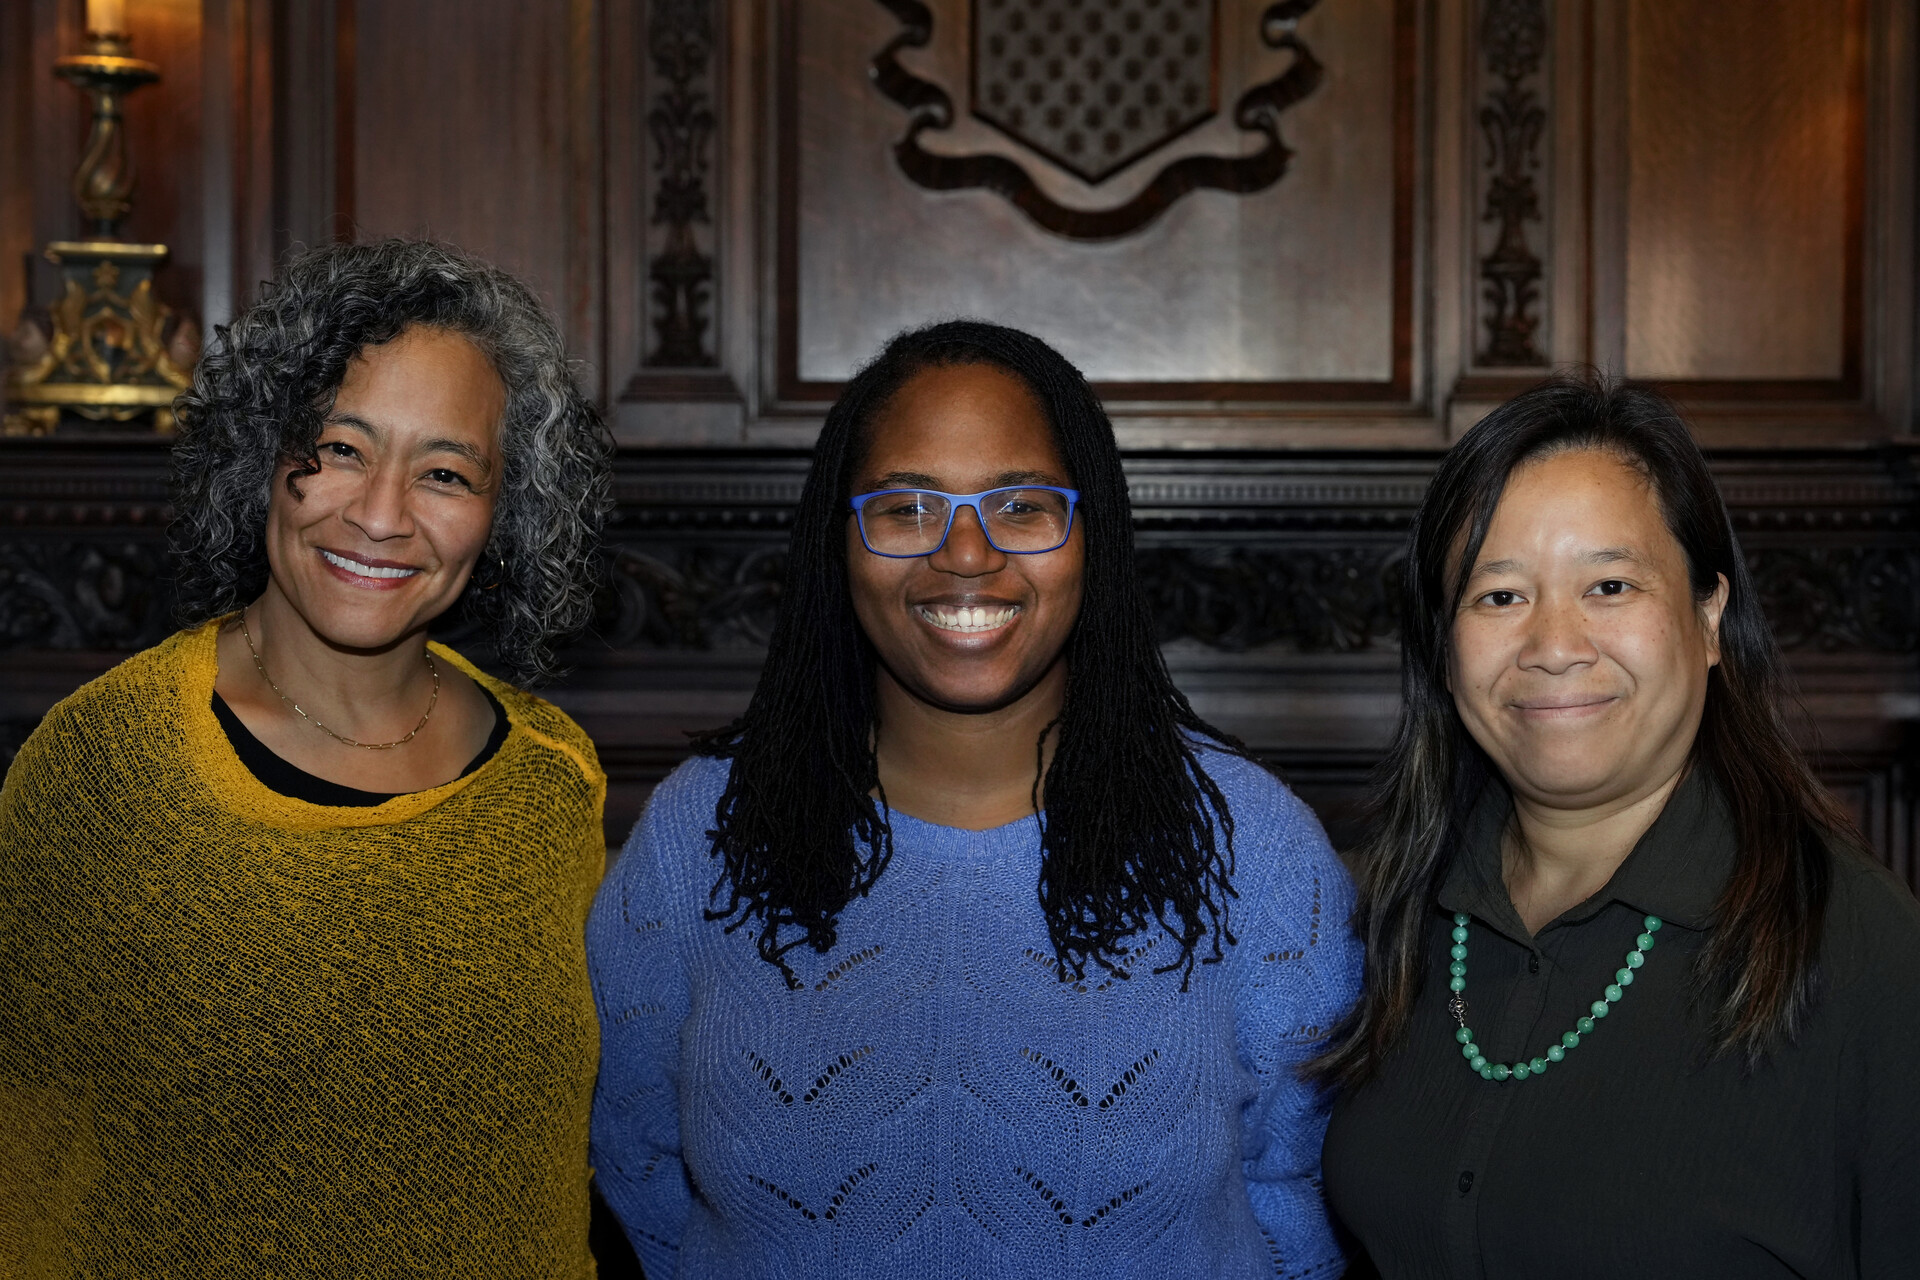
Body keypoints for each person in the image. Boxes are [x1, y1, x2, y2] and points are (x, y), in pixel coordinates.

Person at [587, 320, 1361, 1278]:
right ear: (840, 540)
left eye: (1022, 506)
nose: (964, 554)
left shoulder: (1251, 848)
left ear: (1092, 535)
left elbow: (1303, 1193)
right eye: (907, 508)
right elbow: (634, 1163)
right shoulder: (698, 837)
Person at [0, 239, 614, 1276]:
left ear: (502, 515)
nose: (379, 514)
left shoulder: (553, 776)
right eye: (337, 447)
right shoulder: (108, 762)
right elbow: (23, 1153)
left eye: (446, 471)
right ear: (261, 456)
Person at [1317, 375, 1920, 1278]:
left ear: (1709, 618)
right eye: (1499, 597)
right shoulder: (1392, 912)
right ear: (1444, 652)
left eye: (1609, 584)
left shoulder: (1868, 954)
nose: (1555, 645)